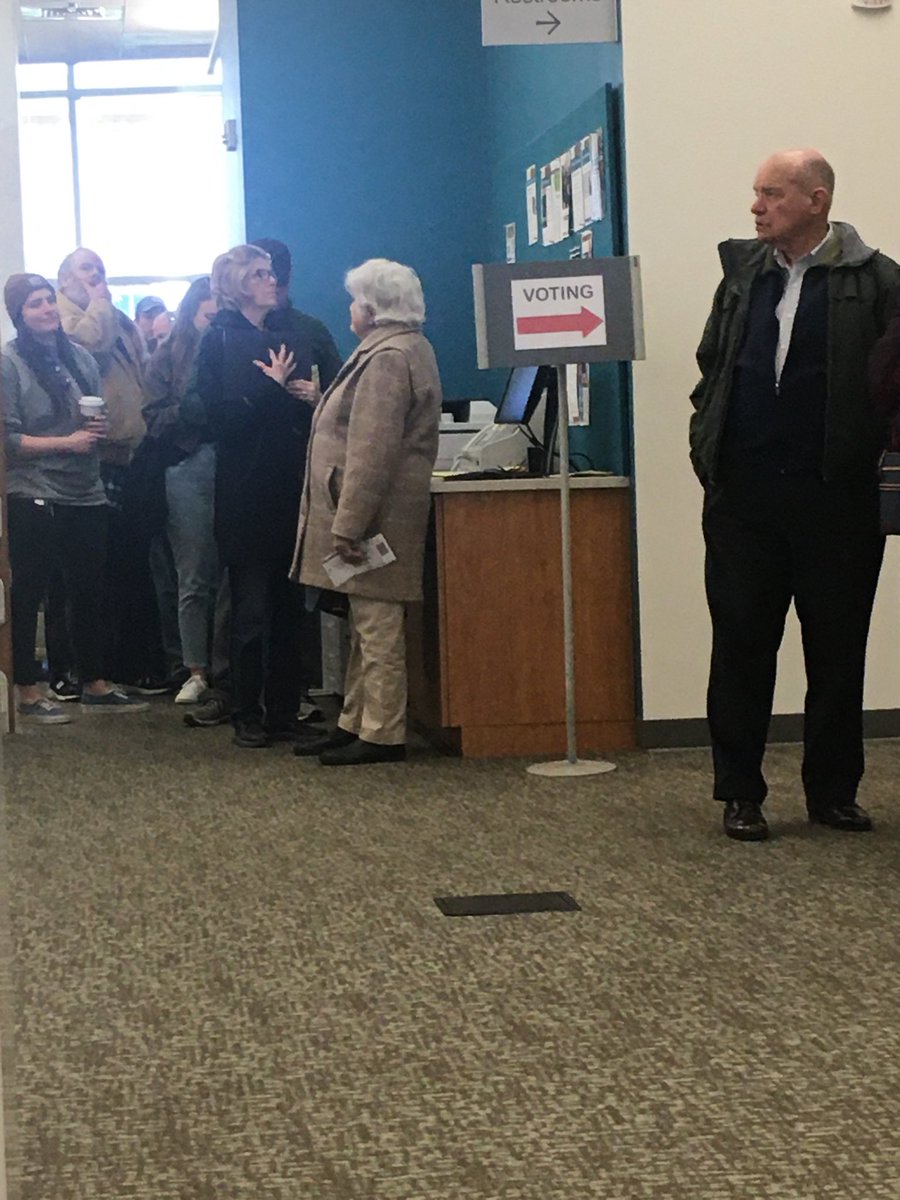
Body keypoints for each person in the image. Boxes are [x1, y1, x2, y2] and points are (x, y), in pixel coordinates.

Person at [689, 148, 900, 842]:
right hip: (745, 496)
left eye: (773, 194)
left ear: (816, 200)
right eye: (756, 193)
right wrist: (707, 453)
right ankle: (740, 793)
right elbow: (712, 368)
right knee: (742, 644)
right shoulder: (741, 277)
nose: (757, 207)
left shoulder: (877, 281)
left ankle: (833, 793)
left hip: (837, 498)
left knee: (837, 650)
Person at [290, 258, 442, 766]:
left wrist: (348, 524)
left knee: (376, 626)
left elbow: (371, 452)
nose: (351, 310)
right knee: (363, 623)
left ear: (373, 309)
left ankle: (381, 732)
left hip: (374, 519)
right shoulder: (397, 349)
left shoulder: (387, 359)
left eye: (356, 301)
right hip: (379, 513)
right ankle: (355, 720)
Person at [188, 244, 341, 747]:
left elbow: (318, 413)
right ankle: (246, 713)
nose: (270, 281)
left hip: (290, 487)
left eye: (270, 273)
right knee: (250, 612)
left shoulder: (292, 335)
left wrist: (310, 399)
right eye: (258, 274)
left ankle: (282, 711)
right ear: (236, 284)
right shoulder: (218, 341)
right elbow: (215, 419)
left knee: (289, 611)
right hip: (244, 491)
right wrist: (269, 390)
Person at [0, 273, 149, 721]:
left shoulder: (81, 357)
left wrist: (96, 434)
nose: (47, 309)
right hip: (34, 489)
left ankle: (95, 682)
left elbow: (92, 415)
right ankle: (27, 689)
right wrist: (68, 442)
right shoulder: (8, 364)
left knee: (89, 589)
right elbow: (8, 441)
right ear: (18, 315)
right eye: (35, 304)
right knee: (29, 593)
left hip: (85, 488)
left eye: (49, 301)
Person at [56, 246, 175, 693]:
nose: (96, 277)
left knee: (130, 562)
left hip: (131, 452)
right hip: (91, 459)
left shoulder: (115, 317)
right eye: (87, 270)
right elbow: (91, 344)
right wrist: (102, 302)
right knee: (93, 569)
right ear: (64, 278)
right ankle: (84, 666)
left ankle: (130, 661)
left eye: (101, 271)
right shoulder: (67, 318)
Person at [143, 276, 219, 705]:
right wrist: (195, 412)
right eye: (208, 315)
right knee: (192, 573)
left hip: (231, 463)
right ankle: (194, 668)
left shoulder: (236, 348)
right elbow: (152, 418)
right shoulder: (166, 356)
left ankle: (226, 666)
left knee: (232, 574)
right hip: (185, 465)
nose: (214, 323)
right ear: (192, 313)